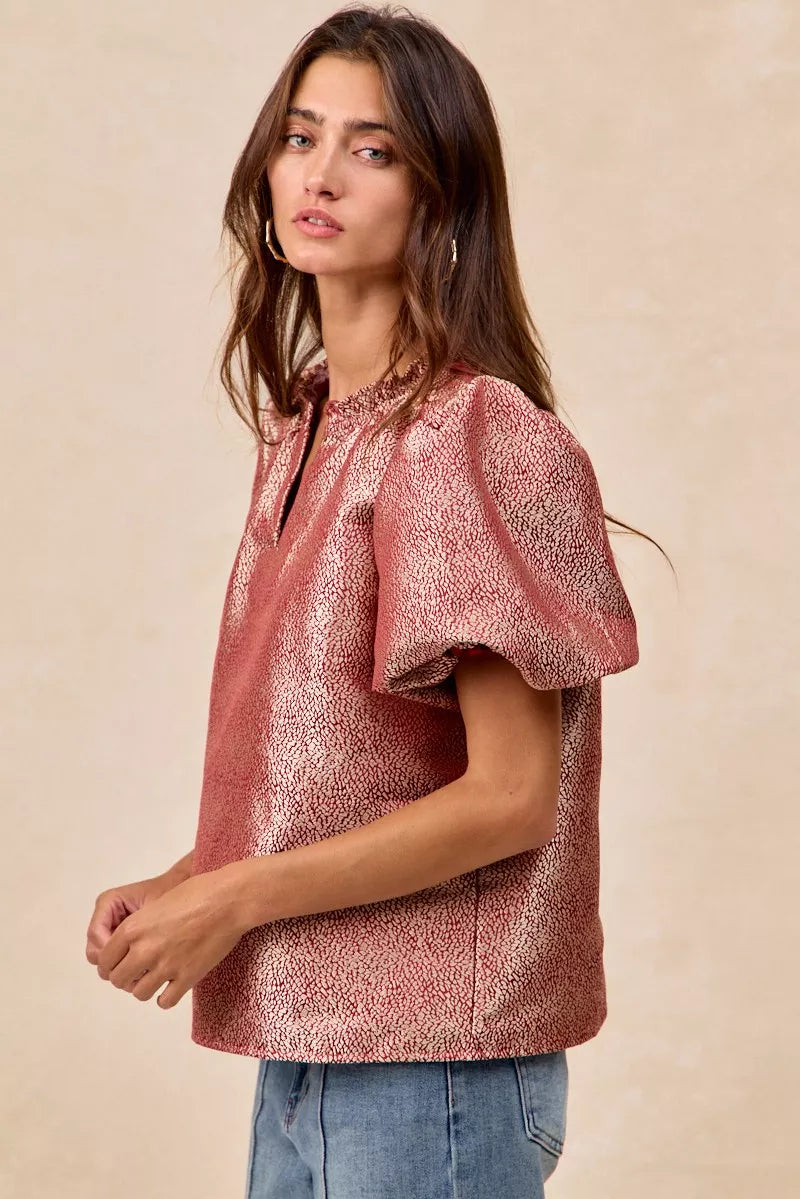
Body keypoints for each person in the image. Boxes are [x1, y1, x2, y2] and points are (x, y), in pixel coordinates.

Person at [85, 7, 658, 1196]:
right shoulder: (307, 427)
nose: (322, 174)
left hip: (432, 1066)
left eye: (374, 148)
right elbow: (346, 773)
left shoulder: (466, 434)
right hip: (306, 1043)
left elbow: (509, 797)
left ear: (438, 196)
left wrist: (232, 895)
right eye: (301, 137)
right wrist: (190, 877)